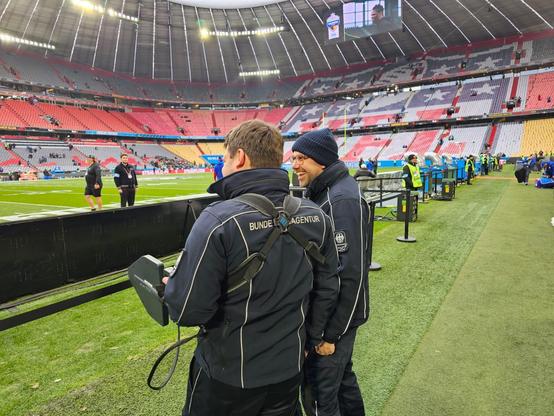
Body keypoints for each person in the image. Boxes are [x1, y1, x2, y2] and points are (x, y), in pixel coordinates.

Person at [163, 120, 340, 416]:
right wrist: (310, 341)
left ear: (240, 157)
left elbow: (188, 311)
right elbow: (327, 288)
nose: (223, 164)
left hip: (227, 377)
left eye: (225, 157)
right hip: (289, 370)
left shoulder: (217, 220)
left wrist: (171, 288)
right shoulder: (316, 216)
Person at [291, 128, 370, 416]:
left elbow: (350, 275)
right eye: (293, 157)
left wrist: (330, 335)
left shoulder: (340, 200)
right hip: (334, 320)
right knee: (342, 386)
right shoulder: (329, 192)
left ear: (321, 160)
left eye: (301, 158)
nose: (295, 164)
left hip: (334, 324)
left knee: (320, 398)